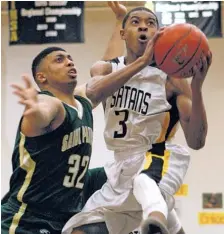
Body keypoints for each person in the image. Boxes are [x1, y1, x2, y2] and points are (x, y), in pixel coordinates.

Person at [1, 9, 164, 233]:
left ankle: (155, 216)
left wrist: (120, 23)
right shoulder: (49, 103)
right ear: (42, 77)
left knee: (126, 171)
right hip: (29, 216)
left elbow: (110, 73)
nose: (69, 62)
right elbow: (43, 113)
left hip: (68, 207)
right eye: (59, 60)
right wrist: (34, 109)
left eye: (70, 58)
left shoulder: (82, 100)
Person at [62, 5, 212, 234]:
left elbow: (197, 142)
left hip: (155, 153)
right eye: (135, 22)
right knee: (80, 230)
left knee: (145, 184)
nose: (143, 26)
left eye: (151, 23)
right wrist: (141, 62)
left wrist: (197, 87)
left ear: (159, 34)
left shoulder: (172, 80)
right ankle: (165, 221)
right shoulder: (105, 68)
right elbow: (93, 94)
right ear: (123, 34)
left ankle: (156, 219)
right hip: (120, 166)